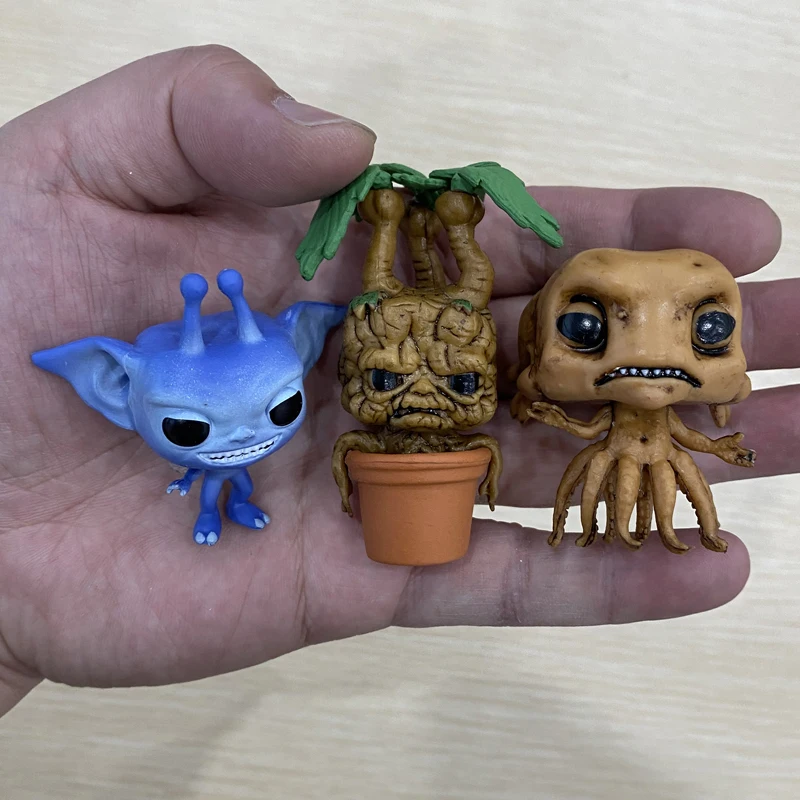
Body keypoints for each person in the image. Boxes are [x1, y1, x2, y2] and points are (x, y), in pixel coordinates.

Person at [0, 45, 793, 719]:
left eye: (277, 408)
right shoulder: (369, 351)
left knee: (432, 290)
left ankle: (412, 243)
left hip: (426, 352)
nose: (244, 435)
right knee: (399, 292)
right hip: (397, 354)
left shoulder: (445, 352)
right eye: (188, 425)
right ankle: (396, 245)